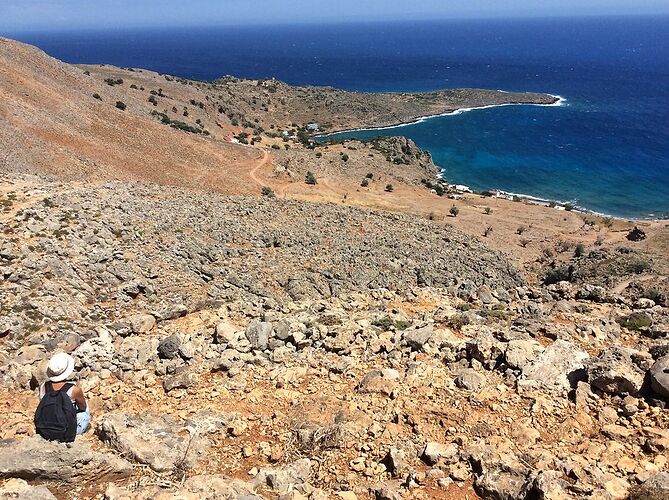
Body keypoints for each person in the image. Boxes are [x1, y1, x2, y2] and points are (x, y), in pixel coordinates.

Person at [36, 352, 90, 439]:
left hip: (45, 430)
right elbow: (82, 408)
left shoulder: (42, 386)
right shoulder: (74, 390)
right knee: (85, 407)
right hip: (65, 433)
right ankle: (83, 429)